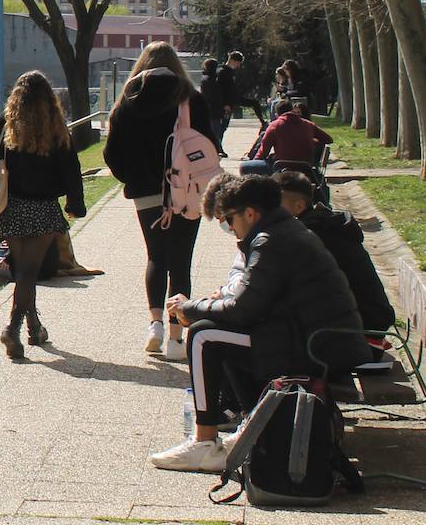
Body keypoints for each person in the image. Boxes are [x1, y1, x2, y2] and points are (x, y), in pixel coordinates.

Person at [149, 175, 369, 472]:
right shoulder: (284, 230)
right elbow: (252, 303)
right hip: (319, 339)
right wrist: (207, 308)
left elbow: (242, 310)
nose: (231, 227)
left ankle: (204, 443)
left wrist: (191, 308)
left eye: (230, 218)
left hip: (317, 347)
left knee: (204, 336)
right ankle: (252, 423)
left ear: (250, 214)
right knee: (218, 330)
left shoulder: (271, 240)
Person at [104, 41, 219, 361]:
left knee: (156, 256)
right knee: (181, 261)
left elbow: (112, 152)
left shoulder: (128, 98)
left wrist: (134, 179)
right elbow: (207, 144)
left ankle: (154, 323)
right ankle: (175, 336)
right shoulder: (190, 97)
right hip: (187, 190)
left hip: (146, 192)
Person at [0, 71, 86, 359]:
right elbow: (71, 168)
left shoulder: (4, 128)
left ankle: (33, 326)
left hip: (11, 207)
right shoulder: (55, 128)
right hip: (43, 207)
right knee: (30, 270)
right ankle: (12, 328)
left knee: (24, 269)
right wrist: (75, 203)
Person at [273, 171, 396, 339]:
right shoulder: (322, 223)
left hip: (358, 334)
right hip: (366, 323)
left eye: (276, 205)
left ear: (299, 206)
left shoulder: (313, 235)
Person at [240, 99, 332, 175]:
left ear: (277, 114)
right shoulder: (308, 124)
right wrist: (312, 141)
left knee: (244, 167)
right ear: (292, 110)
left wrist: (255, 161)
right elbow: (328, 139)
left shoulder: (274, 125)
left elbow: (263, 152)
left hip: (280, 167)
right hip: (305, 167)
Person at [214, 50, 265, 152]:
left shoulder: (230, 72)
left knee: (254, 103)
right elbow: (221, 90)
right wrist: (225, 104)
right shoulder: (223, 72)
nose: (238, 66)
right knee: (223, 126)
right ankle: (217, 147)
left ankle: (263, 122)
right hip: (228, 102)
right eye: (238, 63)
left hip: (233, 99)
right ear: (233, 61)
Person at [200, 59, 225, 155]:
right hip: (214, 110)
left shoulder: (205, 79)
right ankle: (215, 149)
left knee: (214, 130)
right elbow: (215, 97)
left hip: (209, 109)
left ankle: (216, 148)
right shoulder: (212, 80)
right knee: (215, 131)